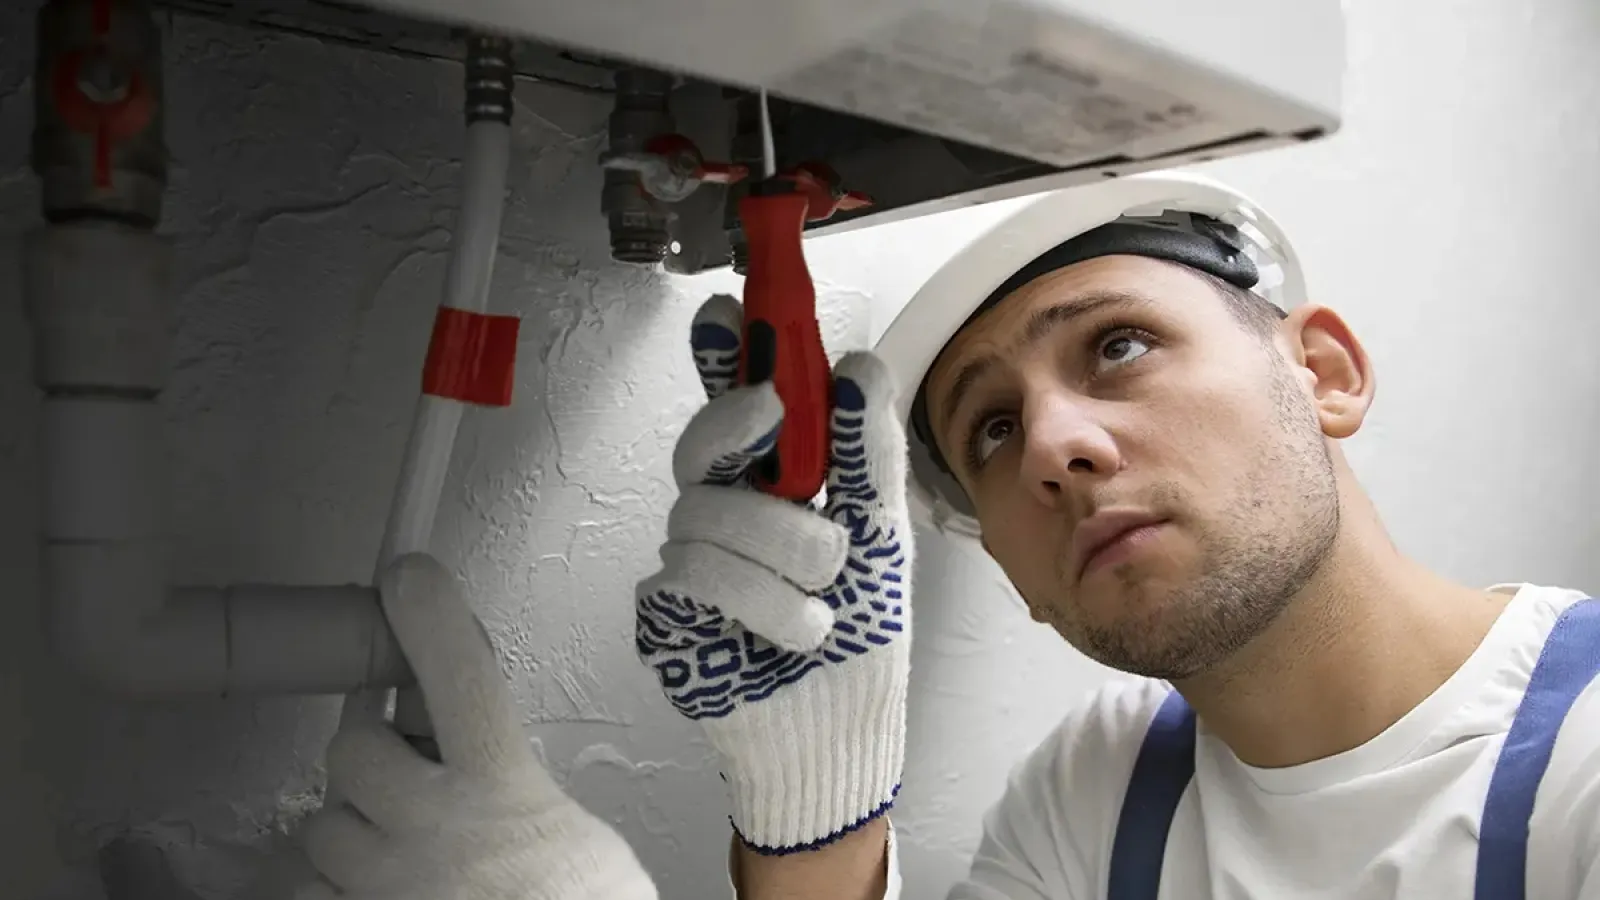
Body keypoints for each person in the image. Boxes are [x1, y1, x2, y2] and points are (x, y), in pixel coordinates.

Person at [290, 171, 1600, 900]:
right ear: (1014, 577)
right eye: (987, 432)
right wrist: (816, 803)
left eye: (1121, 344)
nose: (1051, 448)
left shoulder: (1579, 769)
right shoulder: (1104, 795)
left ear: (1325, 372)